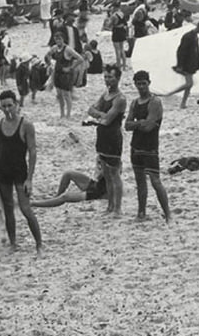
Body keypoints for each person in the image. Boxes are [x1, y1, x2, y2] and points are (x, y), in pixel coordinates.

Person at [0, 90, 43, 252]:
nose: (7, 109)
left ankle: (39, 244)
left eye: (10, 106)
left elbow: (33, 151)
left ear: (16, 105)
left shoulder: (26, 125)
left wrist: (30, 178)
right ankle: (13, 243)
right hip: (3, 171)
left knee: (25, 208)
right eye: (4, 106)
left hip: (20, 171)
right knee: (7, 208)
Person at [124, 71, 171, 222]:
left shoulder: (155, 102)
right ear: (135, 84)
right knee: (140, 182)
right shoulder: (135, 103)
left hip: (150, 147)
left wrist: (137, 123)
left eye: (144, 83)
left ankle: (168, 214)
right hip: (136, 147)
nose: (142, 87)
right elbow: (127, 125)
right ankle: (141, 213)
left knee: (156, 181)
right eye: (139, 84)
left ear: (149, 83)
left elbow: (149, 127)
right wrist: (140, 123)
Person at [84, 64, 126, 215]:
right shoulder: (106, 94)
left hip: (113, 137)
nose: (107, 80)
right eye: (106, 77)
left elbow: (107, 119)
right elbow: (90, 109)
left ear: (118, 78)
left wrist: (99, 114)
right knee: (106, 174)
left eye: (110, 77)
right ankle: (110, 206)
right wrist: (102, 115)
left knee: (114, 174)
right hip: (102, 136)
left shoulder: (120, 98)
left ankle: (118, 208)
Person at [31, 160, 111, 208]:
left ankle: (33, 203)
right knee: (68, 173)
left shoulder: (112, 158)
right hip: (96, 185)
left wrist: (102, 170)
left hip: (100, 192)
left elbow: (109, 176)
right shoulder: (102, 155)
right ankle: (57, 196)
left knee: (65, 197)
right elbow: (97, 175)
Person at [170, 19, 199, 109]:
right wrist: (180, 65)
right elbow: (181, 51)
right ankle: (171, 93)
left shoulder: (194, 36)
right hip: (187, 63)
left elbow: (195, 51)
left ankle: (183, 103)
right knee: (189, 84)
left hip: (191, 63)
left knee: (189, 85)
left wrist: (197, 62)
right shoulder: (188, 36)